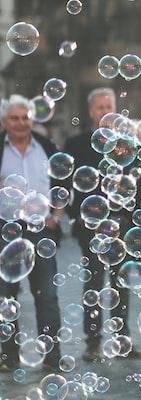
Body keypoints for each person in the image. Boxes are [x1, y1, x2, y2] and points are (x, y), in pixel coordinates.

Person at [63, 88, 141, 361]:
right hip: (90, 226)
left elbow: (137, 184)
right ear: (91, 112)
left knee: (121, 284)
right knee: (95, 285)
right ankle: (93, 342)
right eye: (100, 107)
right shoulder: (76, 143)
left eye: (108, 107)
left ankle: (122, 341)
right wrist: (79, 216)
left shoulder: (126, 144)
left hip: (121, 225)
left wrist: (132, 216)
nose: (105, 112)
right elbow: (65, 184)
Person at [0, 95, 64, 372]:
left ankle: (52, 356)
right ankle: (7, 356)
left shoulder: (47, 147)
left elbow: (63, 185)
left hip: (41, 229)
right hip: (5, 229)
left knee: (47, 293)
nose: (20, 123)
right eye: (14, 118)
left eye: (25, 117)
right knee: (5, 295)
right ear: (4, 122)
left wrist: (56, 217)